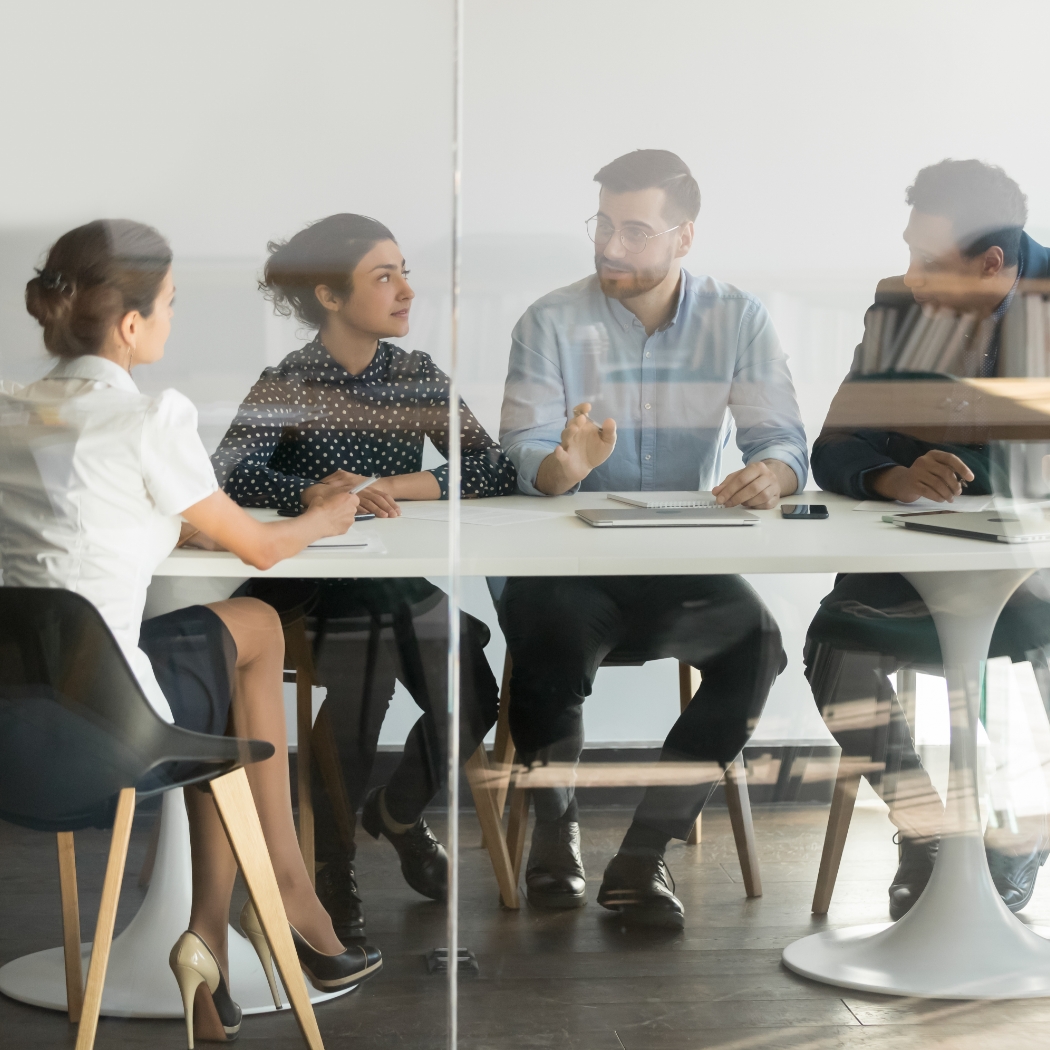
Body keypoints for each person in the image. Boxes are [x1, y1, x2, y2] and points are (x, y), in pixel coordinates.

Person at [0, 220, 382, 1048]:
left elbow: (69, 535)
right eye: (169, 304)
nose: (174, 320)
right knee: (255, 627)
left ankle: (208, 945)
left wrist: (185, 527)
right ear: (131, 325)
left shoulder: (9, 416)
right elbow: (262, 549)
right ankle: (277, 893)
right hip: (110, 737)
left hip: (17, 733)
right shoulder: (149, 418)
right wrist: (327, 514)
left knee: (217, 667)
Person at [497, 150, 808, 928]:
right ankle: (555, 826)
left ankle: (644, 854)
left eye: (635, 230)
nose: (611, 246)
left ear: (685, 237)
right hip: (568, 563)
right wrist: (559, 466)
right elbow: (522, 449)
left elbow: (784, 440)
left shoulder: (738, 318)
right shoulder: (549, 321)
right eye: (603, 224)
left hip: (677, 563)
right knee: (546, 637)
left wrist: (773, 472)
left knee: (757, 646)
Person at [212, 213, 513, 940]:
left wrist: (391, 483)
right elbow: (226, 475)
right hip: (304, 586)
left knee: (474, 686)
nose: (408, 290)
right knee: (364, 670)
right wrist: (312, 495)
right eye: (385, 277)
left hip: (389, 579)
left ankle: (397, 812)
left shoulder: (415, 374)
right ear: (330, 296)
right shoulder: (288, 380)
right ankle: (329, 864)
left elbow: (492, 466)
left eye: (404, 271)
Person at [808, 159, 1050, 919]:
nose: (907, 278)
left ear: (991, 266)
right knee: (831, 650)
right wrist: (893, 475)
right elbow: (835, 446)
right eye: (906, 252)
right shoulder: (895, 307)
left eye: (926, 262)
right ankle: (928, 834)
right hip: (913, 564)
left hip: (1036, 570)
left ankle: (1019, 841)